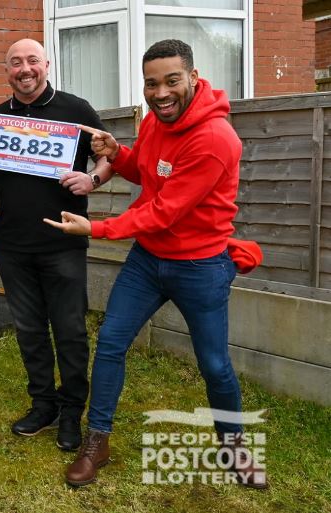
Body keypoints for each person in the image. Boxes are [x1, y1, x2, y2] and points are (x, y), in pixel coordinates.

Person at [45, 39, 266, 489]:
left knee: (214, 365)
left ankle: (234, 449)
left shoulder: (215, 138)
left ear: (194, 77)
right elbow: (149, 172)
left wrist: (98, 230)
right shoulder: (154, 121)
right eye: (151, 83)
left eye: (171, 81)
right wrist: (118, 152)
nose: (160, 92)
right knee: (110, 343)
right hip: (149, 261)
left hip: (200, 267)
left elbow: (165, 210)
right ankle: (98, 440)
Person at [0, 38, 111, 450]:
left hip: (64, 241)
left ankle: (73, 410)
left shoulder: (75, 109)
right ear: (7, 71)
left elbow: (113, 155)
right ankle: (43, 403)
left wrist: (92, 178)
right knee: (29, 330)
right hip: (13, 244)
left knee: (71, 330)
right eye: (16, 62)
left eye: (32, 61)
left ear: (47, 64)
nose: (25, 69)